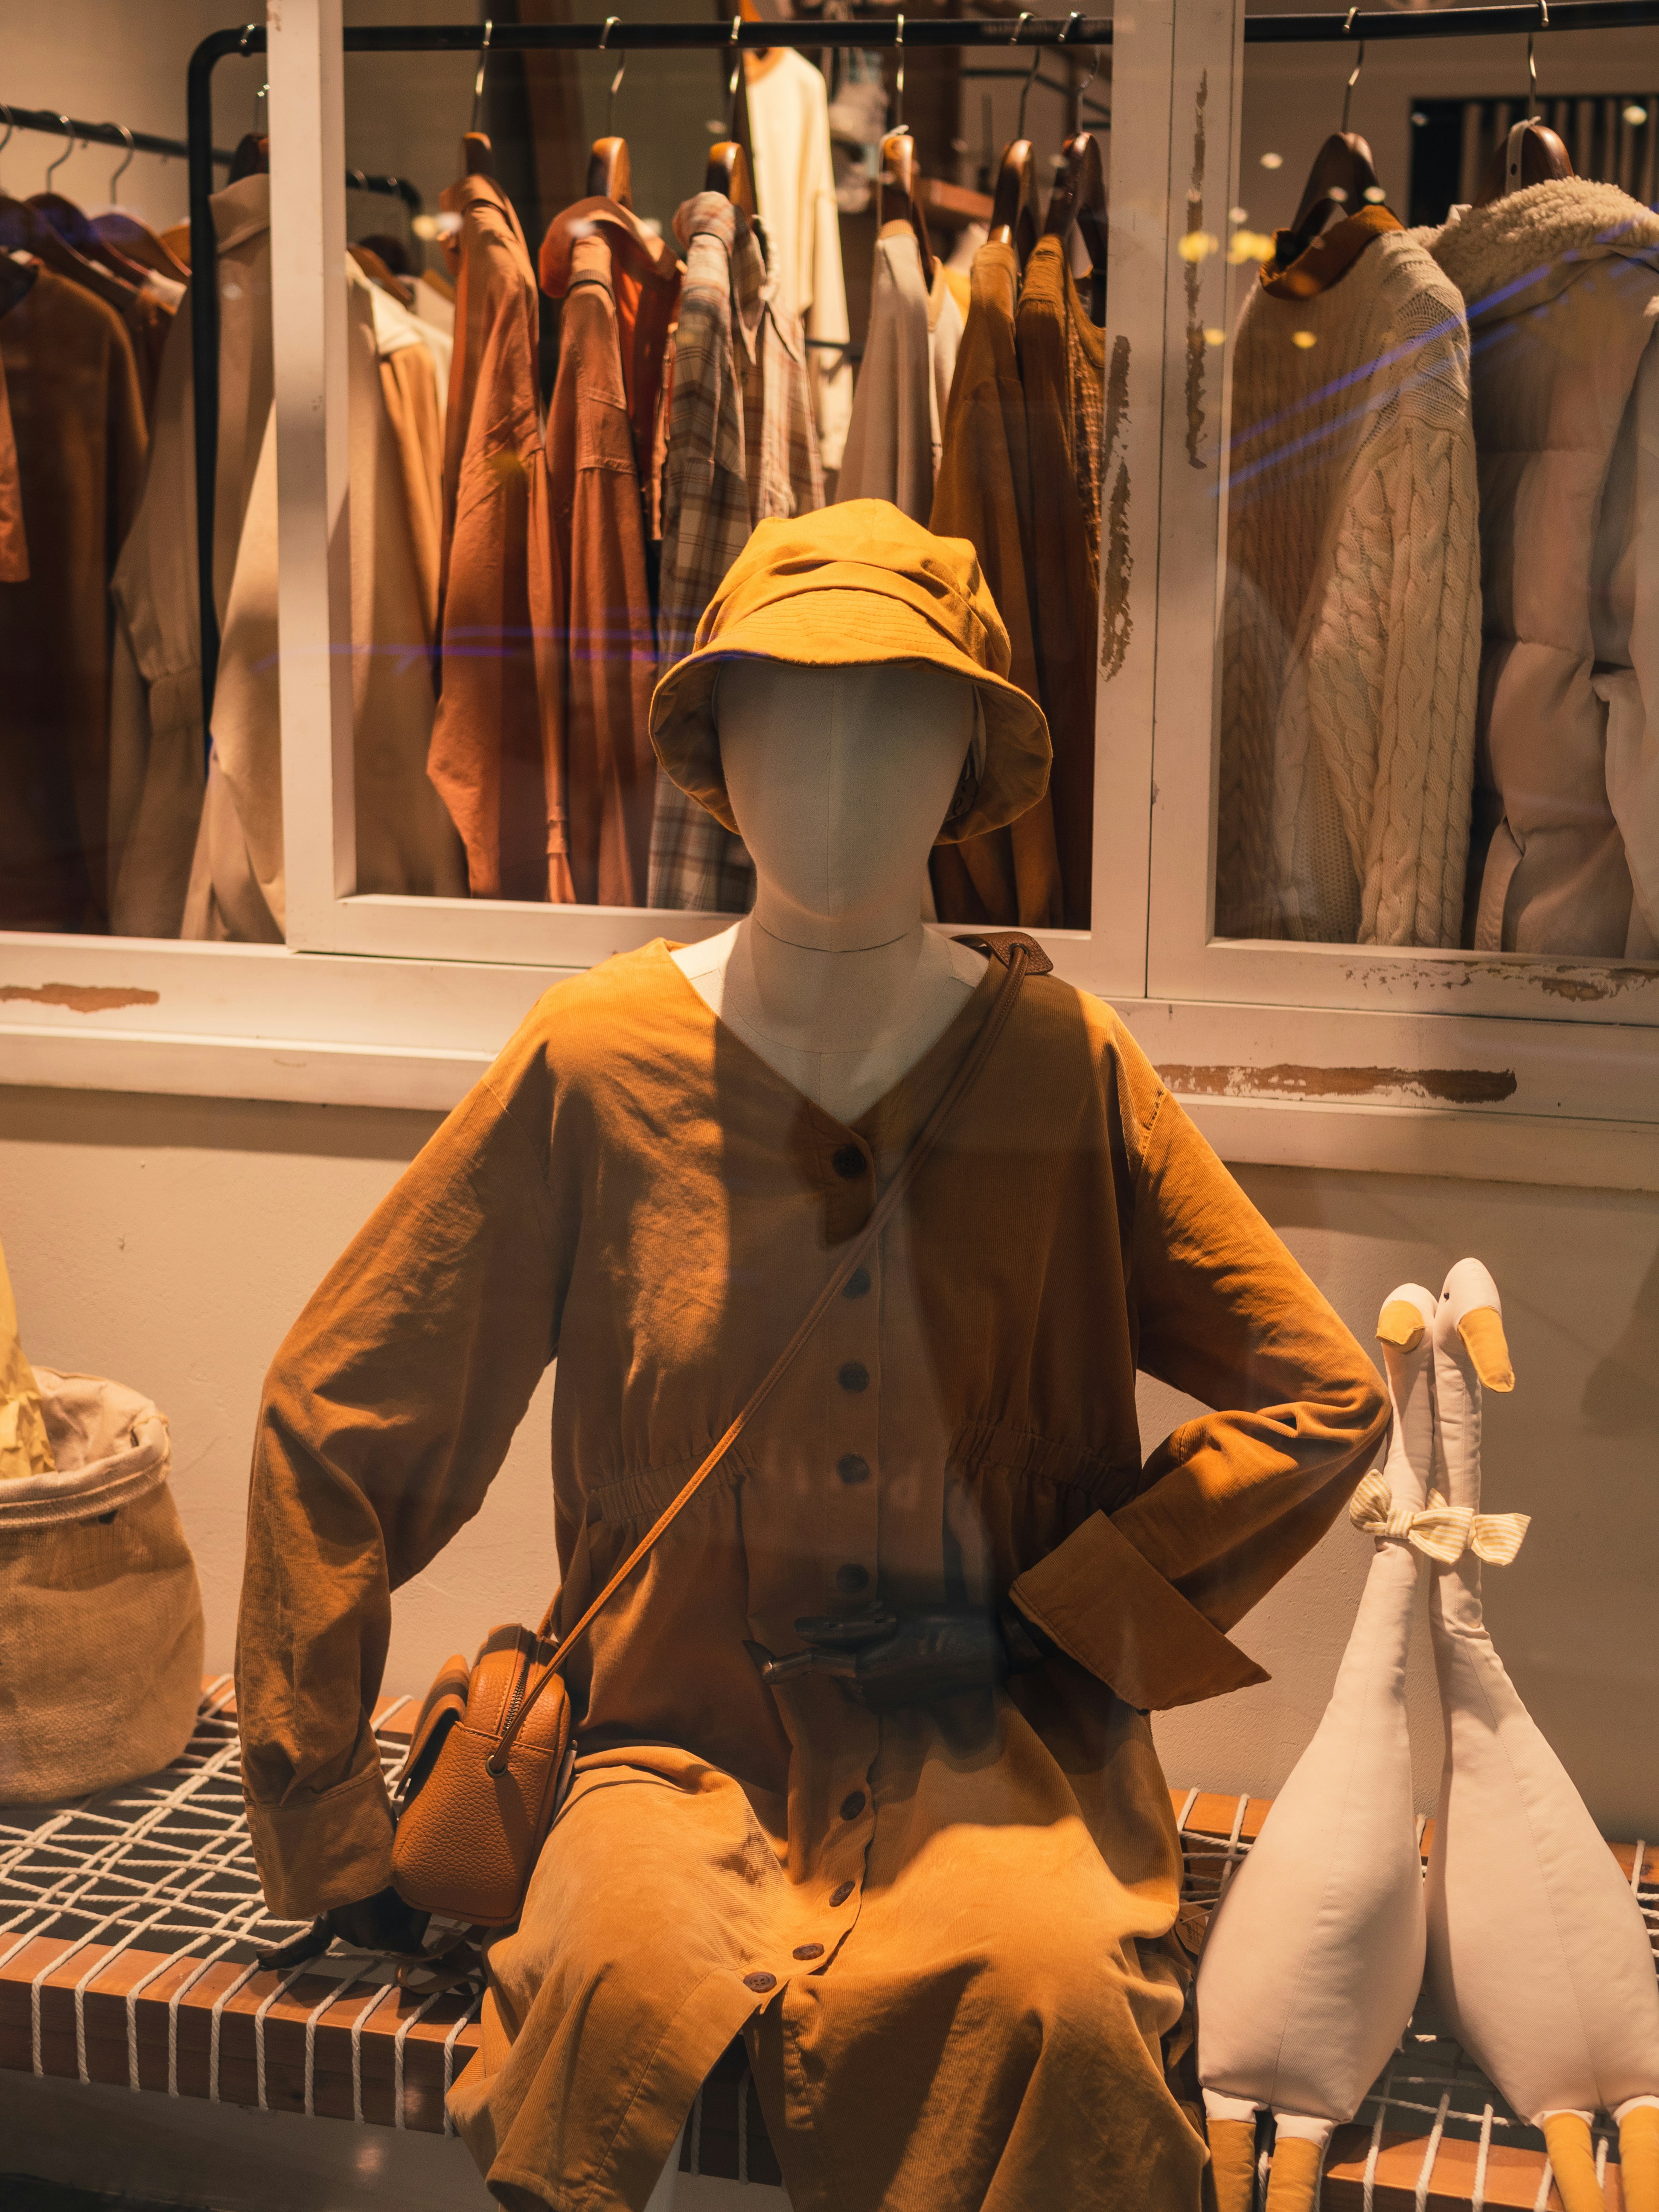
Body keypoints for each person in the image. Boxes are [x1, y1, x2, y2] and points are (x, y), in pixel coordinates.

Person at [235, 501, 1388, 2212]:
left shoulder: (1061, 1069)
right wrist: (322, 1807)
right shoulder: (595, 1058)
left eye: (899, 716)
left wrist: (1059, 1618)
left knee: (1060, 2006)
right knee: (603, 1995)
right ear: (720, 743)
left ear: (965, 761)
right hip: (665, 1751)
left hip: (999, 1767)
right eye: (788, 708)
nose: (838, 772)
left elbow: (1323, 1397)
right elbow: (345, 1409)